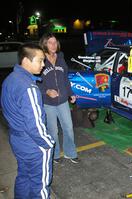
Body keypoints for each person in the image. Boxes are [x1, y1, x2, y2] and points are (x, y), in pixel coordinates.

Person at [1, 43, 55, 198]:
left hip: (17, 139)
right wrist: (48, 144)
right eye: (40, 61)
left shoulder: (10, 79)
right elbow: (35, 125)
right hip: (33, 145)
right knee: (40, 186)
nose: (43, 65)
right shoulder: (29, 88)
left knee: (24, 176)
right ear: (26, 61)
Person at [38, 33, 79, 164]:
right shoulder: (41, 59)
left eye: (55, 42)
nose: (53, 45)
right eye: (50, 42)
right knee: (53, 131)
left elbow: (65, 78)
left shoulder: (60, 57)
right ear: (44, 44)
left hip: (62, 101)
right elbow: (35, 81)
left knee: (68, 127)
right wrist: (46, 91)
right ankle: (55, 155)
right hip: (48, 103)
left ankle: (70, 153)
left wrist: (71, 93)